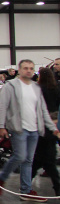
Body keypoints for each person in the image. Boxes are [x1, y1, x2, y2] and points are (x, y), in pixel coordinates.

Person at [0, 60, 60, 202]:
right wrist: (0, 126)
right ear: (19, 70)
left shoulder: (36, 87)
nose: (28, 71)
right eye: (25, 68)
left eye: (31, 68)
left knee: (28, 160)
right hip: (19, 128)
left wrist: (53, 128)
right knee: (20, 156)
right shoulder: (10, 86)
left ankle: (26, 190)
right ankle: (2, 177)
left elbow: (43, 110)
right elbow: (3, 106)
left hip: (35, 129)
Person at [31, 68, 60, 197]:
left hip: (41, 124)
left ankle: (26, 184)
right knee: (48, 157)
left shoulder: (38, 89)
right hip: (54, 123)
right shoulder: (56, 88)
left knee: (40, 158)